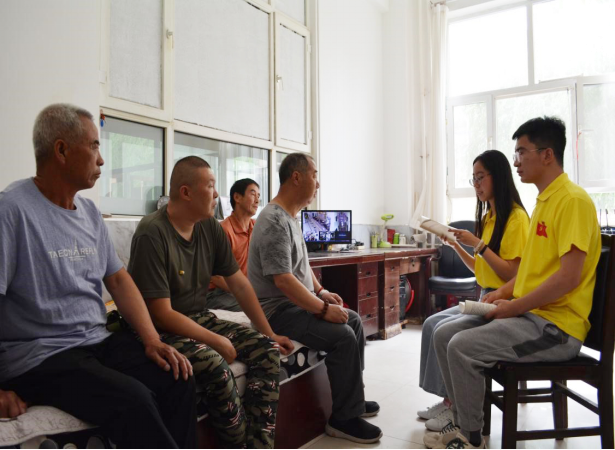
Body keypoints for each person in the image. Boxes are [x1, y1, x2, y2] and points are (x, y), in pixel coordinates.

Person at [0, 104, 197, 449]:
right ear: (61, 150)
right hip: (41, 356)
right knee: (134, 400)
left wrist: (152, 340)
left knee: (177, 377)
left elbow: (118, 280)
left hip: (96, 341)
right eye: (93, 146)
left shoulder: (89, 212)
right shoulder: (11, 210)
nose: (102, 160)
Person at [430, 116, 602, 449]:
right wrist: (500, 294)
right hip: (530, 316)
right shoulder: (544, 203)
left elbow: (569, 277)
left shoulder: (572, 201)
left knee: (461, 346)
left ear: (547, 155)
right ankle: (462, 422)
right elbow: (529, 273)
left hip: (555, 327)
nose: (516, 162)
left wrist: (513, 306)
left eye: (522, 152)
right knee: (443, 334)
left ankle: (471, 438)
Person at [127, 157, 294, 450]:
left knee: (267, 350)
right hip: (159, 328)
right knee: (216, 365)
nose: (217, 194)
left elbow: (239, 284)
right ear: (186, 192)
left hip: (198, 316)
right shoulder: (152, 232)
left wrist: (268, 332)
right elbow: (161, 313)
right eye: (210, 186)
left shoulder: (209, 227)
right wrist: (216, 340)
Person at [248, 153, 383, 445]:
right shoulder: (273, 220)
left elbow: (301, 265)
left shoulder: (290, 217)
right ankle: (342, 420)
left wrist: (321, 291)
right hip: (276, 311)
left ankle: (353, 401)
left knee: (353, 321)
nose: (318, 183)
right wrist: (322, 309)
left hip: (292, 305)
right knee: (343, 336)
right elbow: (283, 279)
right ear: (296, 177)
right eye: (314, 175)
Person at [418, 150, 530, 435]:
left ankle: (454, 406)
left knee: (444, 332)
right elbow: (480, 269)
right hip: (486, 295)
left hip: (503, 298)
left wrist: (479, 245)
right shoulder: (490, 216)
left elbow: (513, 274)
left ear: (498, 176)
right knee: (431, 323)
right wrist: (456, 245)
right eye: (474, 179)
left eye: (481, 177)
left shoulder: (516, 218)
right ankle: (447, 399)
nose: (477, 185)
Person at [206, 179, 261, 312]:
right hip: (218, 292)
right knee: (257, 309)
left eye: (259, 196)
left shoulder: (257, 227)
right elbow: (215, 277)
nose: (257, 200)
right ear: (237, 197)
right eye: (253, 194)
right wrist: (245, 292)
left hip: (244, 290)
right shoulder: (224, 230)